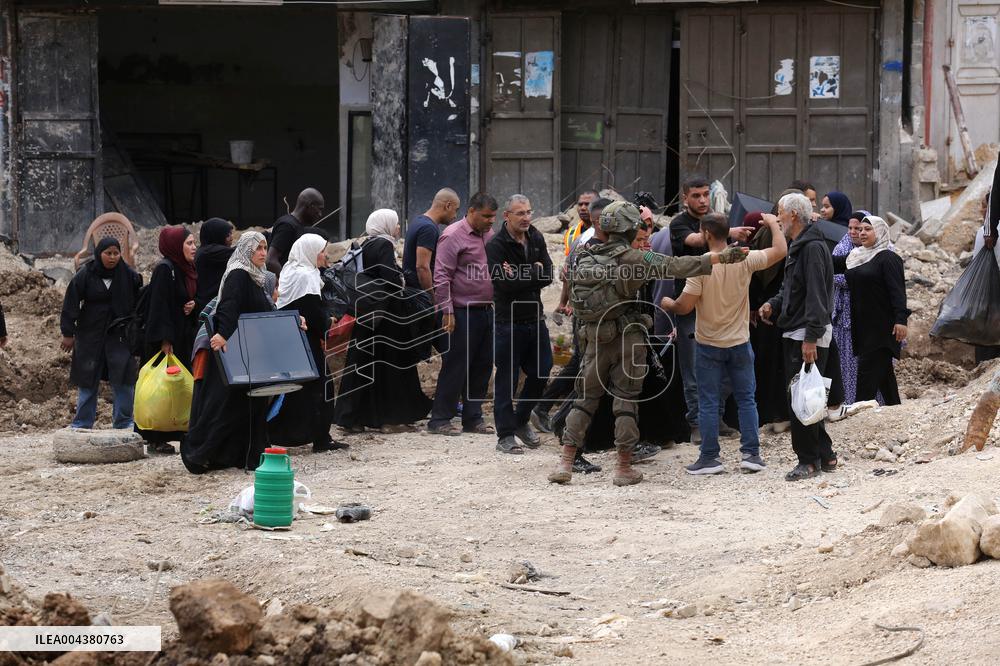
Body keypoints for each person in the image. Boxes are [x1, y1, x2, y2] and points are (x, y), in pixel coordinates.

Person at [549, 201, 748, 487]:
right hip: (627, 337)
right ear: (630, 229)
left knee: (585, 399)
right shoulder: (635, 258)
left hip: (593, 336)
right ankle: (623, 468)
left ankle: (566, 462)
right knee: (626, 400)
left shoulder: (582, 254)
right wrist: (721, 257)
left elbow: (565, 278)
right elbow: (678, 266)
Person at [661, 213, 787, 475]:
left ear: (706, 234)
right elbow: (779, 250)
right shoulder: (743, 258)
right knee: (746, 399)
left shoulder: (702, 265)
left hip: (708, 344)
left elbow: (684, 307)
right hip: (740, 341)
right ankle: (751, 455)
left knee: (707, 402)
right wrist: (774, 224)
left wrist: (668, 304)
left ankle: (709, 458)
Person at [181, 232, 277, 473]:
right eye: (258, 248)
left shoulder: (256, 277)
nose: (263, 253)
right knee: (224, 407)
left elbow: (264, 310)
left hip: (249, 354)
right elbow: (229, 306)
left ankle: (244, 455)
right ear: (246, 250)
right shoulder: (238, 274)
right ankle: (199, 453)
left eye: (265, 248)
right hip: (231, 352)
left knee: (249, 407)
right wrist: (223, 334)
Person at [759, 192, 836, 481]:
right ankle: (825, 455)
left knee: (802, 400)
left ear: (792, 215)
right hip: (800, 330)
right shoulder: (800, 246)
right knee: (810, 398)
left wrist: (810, 339)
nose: (777, 218)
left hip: (807, 333)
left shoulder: (812, 248)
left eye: (780, 212)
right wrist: (774, 304)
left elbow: (817, 296)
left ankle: (809, 461)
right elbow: (793, 289)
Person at [670, 176, 753, 442]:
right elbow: (696, 241)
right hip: (690, 303)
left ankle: (714, 417)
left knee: (729, 368)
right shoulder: (679, 223)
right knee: (694, 369)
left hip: (720, 305)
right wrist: (729, 232)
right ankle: (697, 423)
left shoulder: (718, 221)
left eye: (706, 194)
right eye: (696, 195)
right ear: (685, 198)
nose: (703, 200)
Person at [533, 197, 612, 473]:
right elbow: (570, 273)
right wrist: (566, 302)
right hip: (592, 321)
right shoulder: (588, 242)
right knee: (584, 375)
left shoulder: (593, 240)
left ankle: (554, 417)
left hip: (596, 320)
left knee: (584, 372)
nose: (581, 208)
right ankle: (565, 431)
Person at [335, 210, 433, 432]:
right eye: (397, 224)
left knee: (365, 368)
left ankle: (354, 419)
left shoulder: (367, 245)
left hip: (371, 318)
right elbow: (389, 279)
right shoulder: (383, 245)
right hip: (386, 321)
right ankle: (392, 419)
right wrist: (402, 279)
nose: (398, 229)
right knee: (392, 369)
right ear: (386, 225)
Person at [487, 194, 553, 454]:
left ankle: (521, 419)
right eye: (520, 213)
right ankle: (505, 435)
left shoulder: (536, 236)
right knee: (507, 380)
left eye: (529, 212)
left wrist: (524, 272)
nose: (526, 217)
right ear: (507, 216)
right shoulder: (496, 245)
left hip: (535, 319)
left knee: (542, 371)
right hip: (508, 322)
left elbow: (548, 273)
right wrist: (533, 271)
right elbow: (503, 283)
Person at [427, 193, 498, 436]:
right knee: (456, 365)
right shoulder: (452, 236)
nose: (491, 221)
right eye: (486, 216)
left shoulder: (489, 236)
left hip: (486, 311)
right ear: (471, 211)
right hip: (460, 311)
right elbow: (441, 276)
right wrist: (447, 311)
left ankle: (473, 418)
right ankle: (440, 419)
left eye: (493, 217)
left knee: (482, 365)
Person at [269, 234, 347, 452]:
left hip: (289, 339)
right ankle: (321, 438)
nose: (325, 255)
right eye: (322, 251)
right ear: (311, 252)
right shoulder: (307, 276)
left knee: (293, 388)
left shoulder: (290, 271)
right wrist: (328, 321)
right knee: (322, 386)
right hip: (306, 340)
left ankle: (280, 433)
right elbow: (311, 313)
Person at [60, 238, 143, 430]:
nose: (113, 258)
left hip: (120, 336)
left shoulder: (130, 276)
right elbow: (71, 302)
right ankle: (82, 423)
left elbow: (139, 303)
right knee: (88, 379)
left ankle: (123, 422)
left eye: (116, 253)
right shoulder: (86, 274)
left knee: (124, 379)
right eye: (108, 253)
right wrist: (68, 332)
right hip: (90, 335)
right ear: (99, 254)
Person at [831, 216, 909, 404]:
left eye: (868, 229)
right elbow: (831, 263)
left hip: (882, 329)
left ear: (880, 232)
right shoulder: (857, 256)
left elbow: (897, 291)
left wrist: (901, 320)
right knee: (884, 379)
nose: (862, 233)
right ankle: (894, 411)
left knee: (865, 382)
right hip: (864, 328)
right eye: (860, 229)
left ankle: (858, 417)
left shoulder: (888, 258)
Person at [141, 225, 199, 453]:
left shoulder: (187, 268)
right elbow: (158, 307)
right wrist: (164, 341)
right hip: (167, 341)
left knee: (179, 388)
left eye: (194, 243)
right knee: (163, 390)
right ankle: (155, 438)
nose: (194, 248)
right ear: (176, 246)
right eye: (189, 243)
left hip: (184, 336)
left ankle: (183, 432)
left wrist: (195, 304)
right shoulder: (165, 270)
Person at [830, 210, 870, 405]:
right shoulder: (841, 248)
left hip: (866, 312)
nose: (854, 232)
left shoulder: (878, 250)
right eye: (851, 228)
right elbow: (834, 276)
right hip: (843, 314)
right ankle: (846, 400)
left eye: (860, 228)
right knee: (845, 360)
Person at [402, 188, 460, 292]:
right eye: (456, 210)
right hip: (419, 296)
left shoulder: (418, 220)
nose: (455, 216)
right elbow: (422, 267)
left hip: (412, 292)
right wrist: (432, 298)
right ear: (448, 206)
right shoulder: (428, 228)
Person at [266, 188, 325, 275]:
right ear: (310, 206)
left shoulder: (298, 226)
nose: (320, 214)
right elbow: (271, 261)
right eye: (319, 209)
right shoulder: (287, 226)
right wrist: (288, 283)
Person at [194, 218, 234, 316]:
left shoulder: (205, 251)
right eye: (228, 235)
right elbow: (240, 252)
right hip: (208, 308)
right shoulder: (208, 252)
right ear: (218, 235)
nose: (231, 238)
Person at [563, 190, 599, 256]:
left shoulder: (605, 231)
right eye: (580, 204)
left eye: (587, 204)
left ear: (598, 206)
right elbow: (569, 259)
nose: (582, 208)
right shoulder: (571, 232)